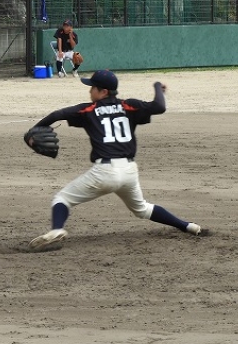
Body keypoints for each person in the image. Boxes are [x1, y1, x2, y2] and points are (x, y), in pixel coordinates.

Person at [28, 69, 203, 251]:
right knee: (142, 209)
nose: (90, 91)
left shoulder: (88, 109)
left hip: (104, 172)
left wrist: (33, 131)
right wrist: (158, 86)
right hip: (129, 172)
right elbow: (160, 106)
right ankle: (188, 226)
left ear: (103, 91)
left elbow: (57, 115)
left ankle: (57, 229)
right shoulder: (129, 106)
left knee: (62, 198)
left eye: (93, 88)